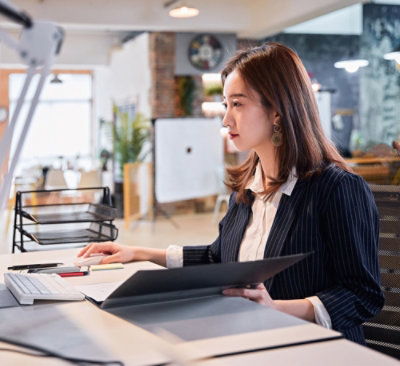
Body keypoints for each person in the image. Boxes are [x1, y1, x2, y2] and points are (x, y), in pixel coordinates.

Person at [78, 42, 384, 345]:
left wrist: (276, 309)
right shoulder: (247, 189)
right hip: (252, 342)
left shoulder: (338, 189)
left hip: (314, 349)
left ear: (277, 111)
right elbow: (219, 258)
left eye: (237, 104)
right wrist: (138, 252)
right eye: (227, 105)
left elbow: (363, 295)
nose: (226, 120)